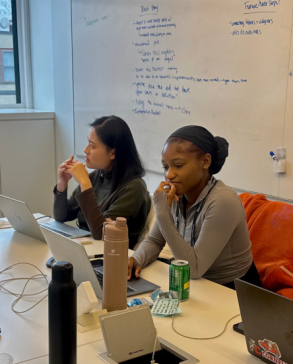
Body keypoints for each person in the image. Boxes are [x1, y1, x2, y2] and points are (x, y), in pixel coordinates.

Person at [128, 126, 260, 288]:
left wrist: (163, 215)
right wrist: (136, 259)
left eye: (178, 165)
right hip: (196, 284)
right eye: (166, 167)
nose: (169, 175)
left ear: (205, 162)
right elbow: (156, 240)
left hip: (231, 291)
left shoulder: (223, 200)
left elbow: (194, 269)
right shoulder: (178, 193)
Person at [53, 116, 151, 248]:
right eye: (88, 143)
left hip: (112, 256)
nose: (85, 150)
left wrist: (85, 183)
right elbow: (62, 215)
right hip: (87, 248)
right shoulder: (97, 176)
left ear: (112, 154)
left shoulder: (134, 187)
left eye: (92, 146)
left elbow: (101, 233)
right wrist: (62, 183)